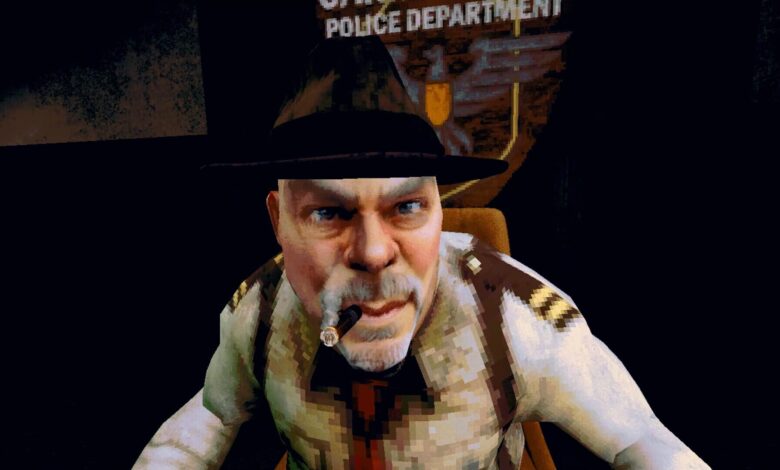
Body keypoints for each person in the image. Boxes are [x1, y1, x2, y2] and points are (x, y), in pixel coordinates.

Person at [134, 37, 709, 469]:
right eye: (329, 213)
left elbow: (639, 440)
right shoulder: (258, 315)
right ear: (277, 222)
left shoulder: (513, 320)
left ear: (437, 210)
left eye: (406, 206)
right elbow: (211, 412)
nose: (374, 253)